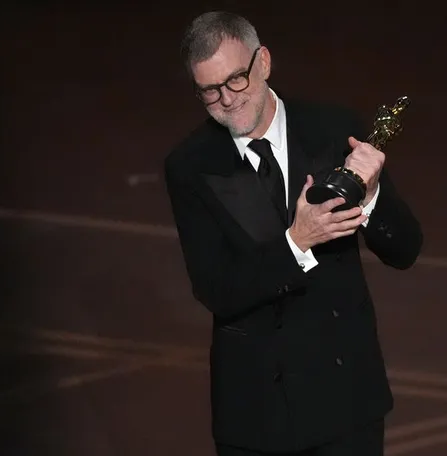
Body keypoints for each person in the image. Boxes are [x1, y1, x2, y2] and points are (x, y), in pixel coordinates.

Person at [164, 10, 423, 456]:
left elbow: (405, 250)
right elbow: (216, 290)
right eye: (209, 90)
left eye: (236, 80)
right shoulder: (191, 166)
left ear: (263, 62)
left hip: (347, 404)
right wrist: (296, 242)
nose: (227, 100)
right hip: (258, 415)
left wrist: (372, 197)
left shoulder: (332, 131)